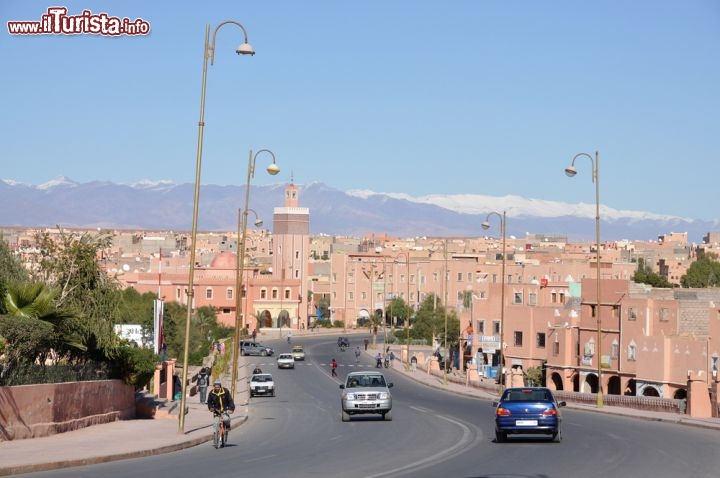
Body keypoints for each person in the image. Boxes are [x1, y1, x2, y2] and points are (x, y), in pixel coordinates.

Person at [207, 380, 235, 448]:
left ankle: (228, 426)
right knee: (215, 424)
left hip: (225, 410)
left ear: (220, 386)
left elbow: (230, 401)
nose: (217, 388)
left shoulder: (225, 391)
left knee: (226, 419)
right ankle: (215, 438)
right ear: (214, 387)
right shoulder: (211, 393)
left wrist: (231, 408)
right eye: (215, 387)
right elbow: (209, 402)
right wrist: (211, 408)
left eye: (218, 387)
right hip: (216, 411)